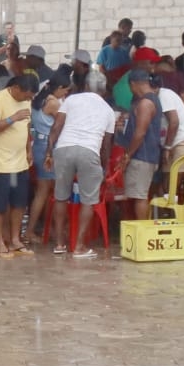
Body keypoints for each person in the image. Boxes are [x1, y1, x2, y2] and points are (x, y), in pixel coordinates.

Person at [45, 78, 116, 257]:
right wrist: (104, 167)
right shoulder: (108, 110)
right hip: (89, 151)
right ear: (104, 90)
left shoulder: (71, 100)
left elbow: (56, 128)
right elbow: (106, 145)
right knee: (88, 200)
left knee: (61, 197)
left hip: (64, 148)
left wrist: (49, 153)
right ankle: (79, 247)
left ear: (85, 86)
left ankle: (59, 244)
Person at [0, 73, 37, 259]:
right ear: (16, 88)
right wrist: (11, 118)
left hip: (19, 163)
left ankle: (15, 239)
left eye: (31, 97)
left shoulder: (26, 101)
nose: (28, 99)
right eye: (26, 95)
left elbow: (27, 127)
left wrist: (29, 149)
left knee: (19, 202)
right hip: (1, 164)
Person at [26, 73, 70, 244]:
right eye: (65, 90)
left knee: (43, 191)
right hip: (49, 148)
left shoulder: (39, 99)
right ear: (59, 88)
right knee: (46, 192)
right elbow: (64, 124)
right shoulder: (53, 103)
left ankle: (46, 228)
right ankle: (31, 231)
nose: (66, 94)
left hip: (38, 145)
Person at [115, 68, 163, 222]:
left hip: (142, 156)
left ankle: (142, 230)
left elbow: (140, 133)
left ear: (133, 84)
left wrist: (127, 155)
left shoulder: (145, 103)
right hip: (148, 155)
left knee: (139, 196)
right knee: (137, 195)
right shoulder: (153, 99)